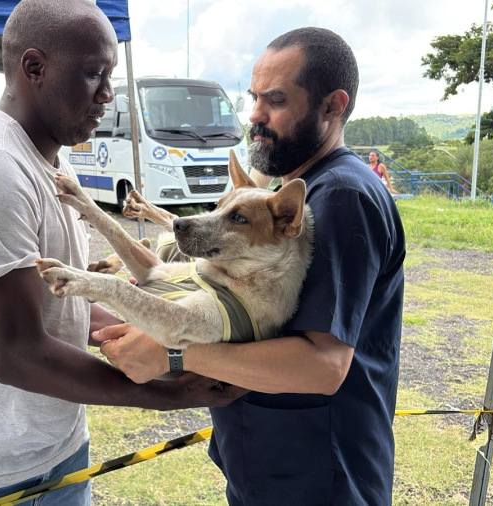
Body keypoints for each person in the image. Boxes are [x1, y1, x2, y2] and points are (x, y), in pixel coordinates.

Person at [0, 1, 243, 505]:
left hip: (52, 452)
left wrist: (163, 343)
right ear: (34, 68)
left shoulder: (49, 161)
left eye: (110, 76)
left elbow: (59, 302)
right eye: (93, 74)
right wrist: (170, 393)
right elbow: (17, 354)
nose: (106, 95)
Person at [97, 28, 406, 505]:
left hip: (316, 477)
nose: (256, 116)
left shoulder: (340, 196)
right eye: (254, 98)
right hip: (274, 463)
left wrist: (174, 352)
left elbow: (324, 366)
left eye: (276, 100)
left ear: (332, 105)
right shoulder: (295, 190)